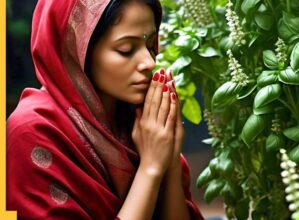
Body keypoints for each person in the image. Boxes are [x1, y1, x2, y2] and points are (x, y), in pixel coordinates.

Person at [6, 0, 204, 219]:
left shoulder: (142, 122)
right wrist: (150, 168)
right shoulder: (32, 133)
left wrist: (171, 163)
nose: (149, 62)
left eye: (150, 46)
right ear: (77, 52)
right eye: (126, 50)